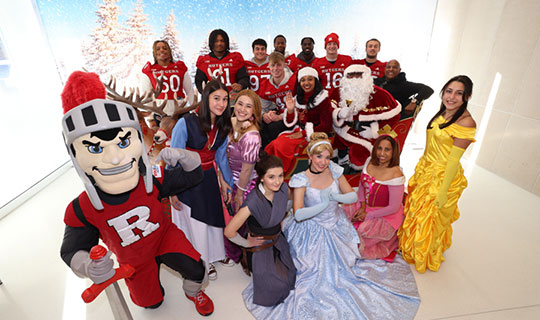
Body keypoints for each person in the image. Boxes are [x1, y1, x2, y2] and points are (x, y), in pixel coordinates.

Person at [59, 71, 214, 316]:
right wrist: (87, 266)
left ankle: (193, 291)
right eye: (97, 148)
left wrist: (187, 157)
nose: (115, 158)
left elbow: (193, 177)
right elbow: (71, 249)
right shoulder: (82, 207)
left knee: (197, 270)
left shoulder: (150, 179)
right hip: (133, 258)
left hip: (164, 237)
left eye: (122, 143)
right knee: (151, 303)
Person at [245, 133, 420, 319]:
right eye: (319, 156)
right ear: (310, 156)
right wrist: (321, 206)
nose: (323, 161)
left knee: (345, 270)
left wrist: (335, 198)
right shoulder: (301, 179)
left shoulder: (334, 170)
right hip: (310, 231)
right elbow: (298, 213)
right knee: (312, 272)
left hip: (336, 225)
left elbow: (352, 196)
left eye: (327, 157)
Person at [398, 75, 477, 273]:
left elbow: (452, 161)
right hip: (426, 170)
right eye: (449, 91)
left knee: (430, 217)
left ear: (466, 96)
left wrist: (442, 191)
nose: (452, 97)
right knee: (416, 211)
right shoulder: (443, 114)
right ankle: (410, 245)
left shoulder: (467, 122)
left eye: (459, 93)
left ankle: (424, 253)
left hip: (442, 177)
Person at [170, 79, 234, 280]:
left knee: (213, 219)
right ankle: (203, 259)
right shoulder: (185, 122)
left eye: (225, 99)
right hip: (187, 180)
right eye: (216, 98)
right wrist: (171, 190)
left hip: (208, 178)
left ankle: (216, 254)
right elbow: (173, 158)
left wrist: (228, 184)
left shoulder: (223, 124)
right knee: (196, 222)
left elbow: (221, 157)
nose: (221, 104)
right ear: (206, 98)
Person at [224, 154, 296, 307]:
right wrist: (247, 243)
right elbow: (229, 231)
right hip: (260, 245)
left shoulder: (283, 188)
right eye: (271, 177)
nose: (277, 181)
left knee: (291, 276)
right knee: (276, 287)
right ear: (262, 178)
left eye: (281, 175)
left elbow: (289, 201)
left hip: (278, 238)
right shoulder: (253, 202)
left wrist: (281, 217)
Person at [344, 131, 405, 260]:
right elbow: (361, 186)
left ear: (393, 152)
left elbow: (393, 207)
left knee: (362, 231)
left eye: (387, 149)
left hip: (385, 213)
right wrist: (362, 207)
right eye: (379, 148)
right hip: (365, 206)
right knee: (343, 217)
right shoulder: (369, 162)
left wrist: (368, 215)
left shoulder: (396, 174)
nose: (382, 153)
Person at [332, 64, 401, 170]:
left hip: (367, 133)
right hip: (343, 129)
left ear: (366, 76)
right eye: (351, 75)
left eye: (359, 75)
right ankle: (342, 160)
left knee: (359, 153)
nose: (355, 78)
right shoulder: (338, 92)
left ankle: (360, 174)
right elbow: (328, 110)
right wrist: (338, 113)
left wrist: (376, 131)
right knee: (328, 147)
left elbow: (395, 117)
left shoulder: (380, 94)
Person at [265, 67, 332, 174]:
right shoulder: (298, 98)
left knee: (280, 146)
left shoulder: (323, 99)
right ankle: (273, 171)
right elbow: (292, 122)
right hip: (298, 132)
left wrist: (303, 133)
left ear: (316, 81)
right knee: (274, 144)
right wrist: (290, 110)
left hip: (314, 135)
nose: (306, 83)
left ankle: (282, 173)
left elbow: (326, 126)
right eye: (303, 80)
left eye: (310, 79)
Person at [224, 89, 263, 263]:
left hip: (243, 185)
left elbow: (247, 170)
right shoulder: (234, 123)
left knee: (236, 222)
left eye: (248, 106)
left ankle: (235, 256)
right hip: (229, 180)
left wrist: (239, 193)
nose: (242, 109)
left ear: (255, 111)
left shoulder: (252, 137)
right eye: (240, 104)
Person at [141, 40, 195, 116]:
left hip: (180, 110)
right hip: (160, 112)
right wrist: (150, 118)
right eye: (158, 49)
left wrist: (195, 110)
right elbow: (147, 95)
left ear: (169, 51)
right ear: (154, 53)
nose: (162, 50)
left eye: (165, 48)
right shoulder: (149, 70)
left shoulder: (180, 68)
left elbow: (189, 91)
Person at [258, 51, 297, 147]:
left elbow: (300, 107)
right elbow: (262, 107)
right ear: (268, 66)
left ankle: (275, 154)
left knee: (274, 127)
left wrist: (280, 117)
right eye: (273, 65)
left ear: (284, 65)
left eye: (279, 65)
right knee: (260, 126)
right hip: (279, 114)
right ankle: (264, 156)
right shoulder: (266, 85)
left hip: (295, 117)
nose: (275, 69)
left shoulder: (294, 80)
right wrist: (265, 115)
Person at [195, 29, 249, 95]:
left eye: (222, 41)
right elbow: (199, 82)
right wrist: (206, 93)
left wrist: (241, 85)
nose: (219, 43)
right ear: (211, 43)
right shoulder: (204, 61)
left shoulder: (235, 58)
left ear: (226, 42)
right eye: (216, 41)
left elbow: (244, 77)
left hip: (233, 98)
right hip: (214, 99)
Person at [312, 33, 352, 102]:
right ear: (325, 47)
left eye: (334, 44)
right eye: (329, 44)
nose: (332, 46)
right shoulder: (317, 63)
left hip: (344, 98)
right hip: (326, 99)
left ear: (338, 46)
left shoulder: (347, 60)